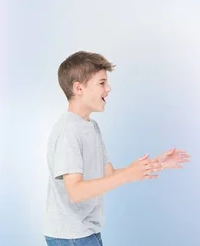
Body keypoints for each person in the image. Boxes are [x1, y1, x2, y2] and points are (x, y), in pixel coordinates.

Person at [44, 51, 190, 246]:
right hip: (70, 234)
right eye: (102, 83)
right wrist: (129, 174)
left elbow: (109, 174)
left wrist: (155, 164)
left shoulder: (91, 127)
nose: (108, 89)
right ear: (78, 88)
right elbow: (75, 192)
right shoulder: (68, 131)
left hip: (87, 230)